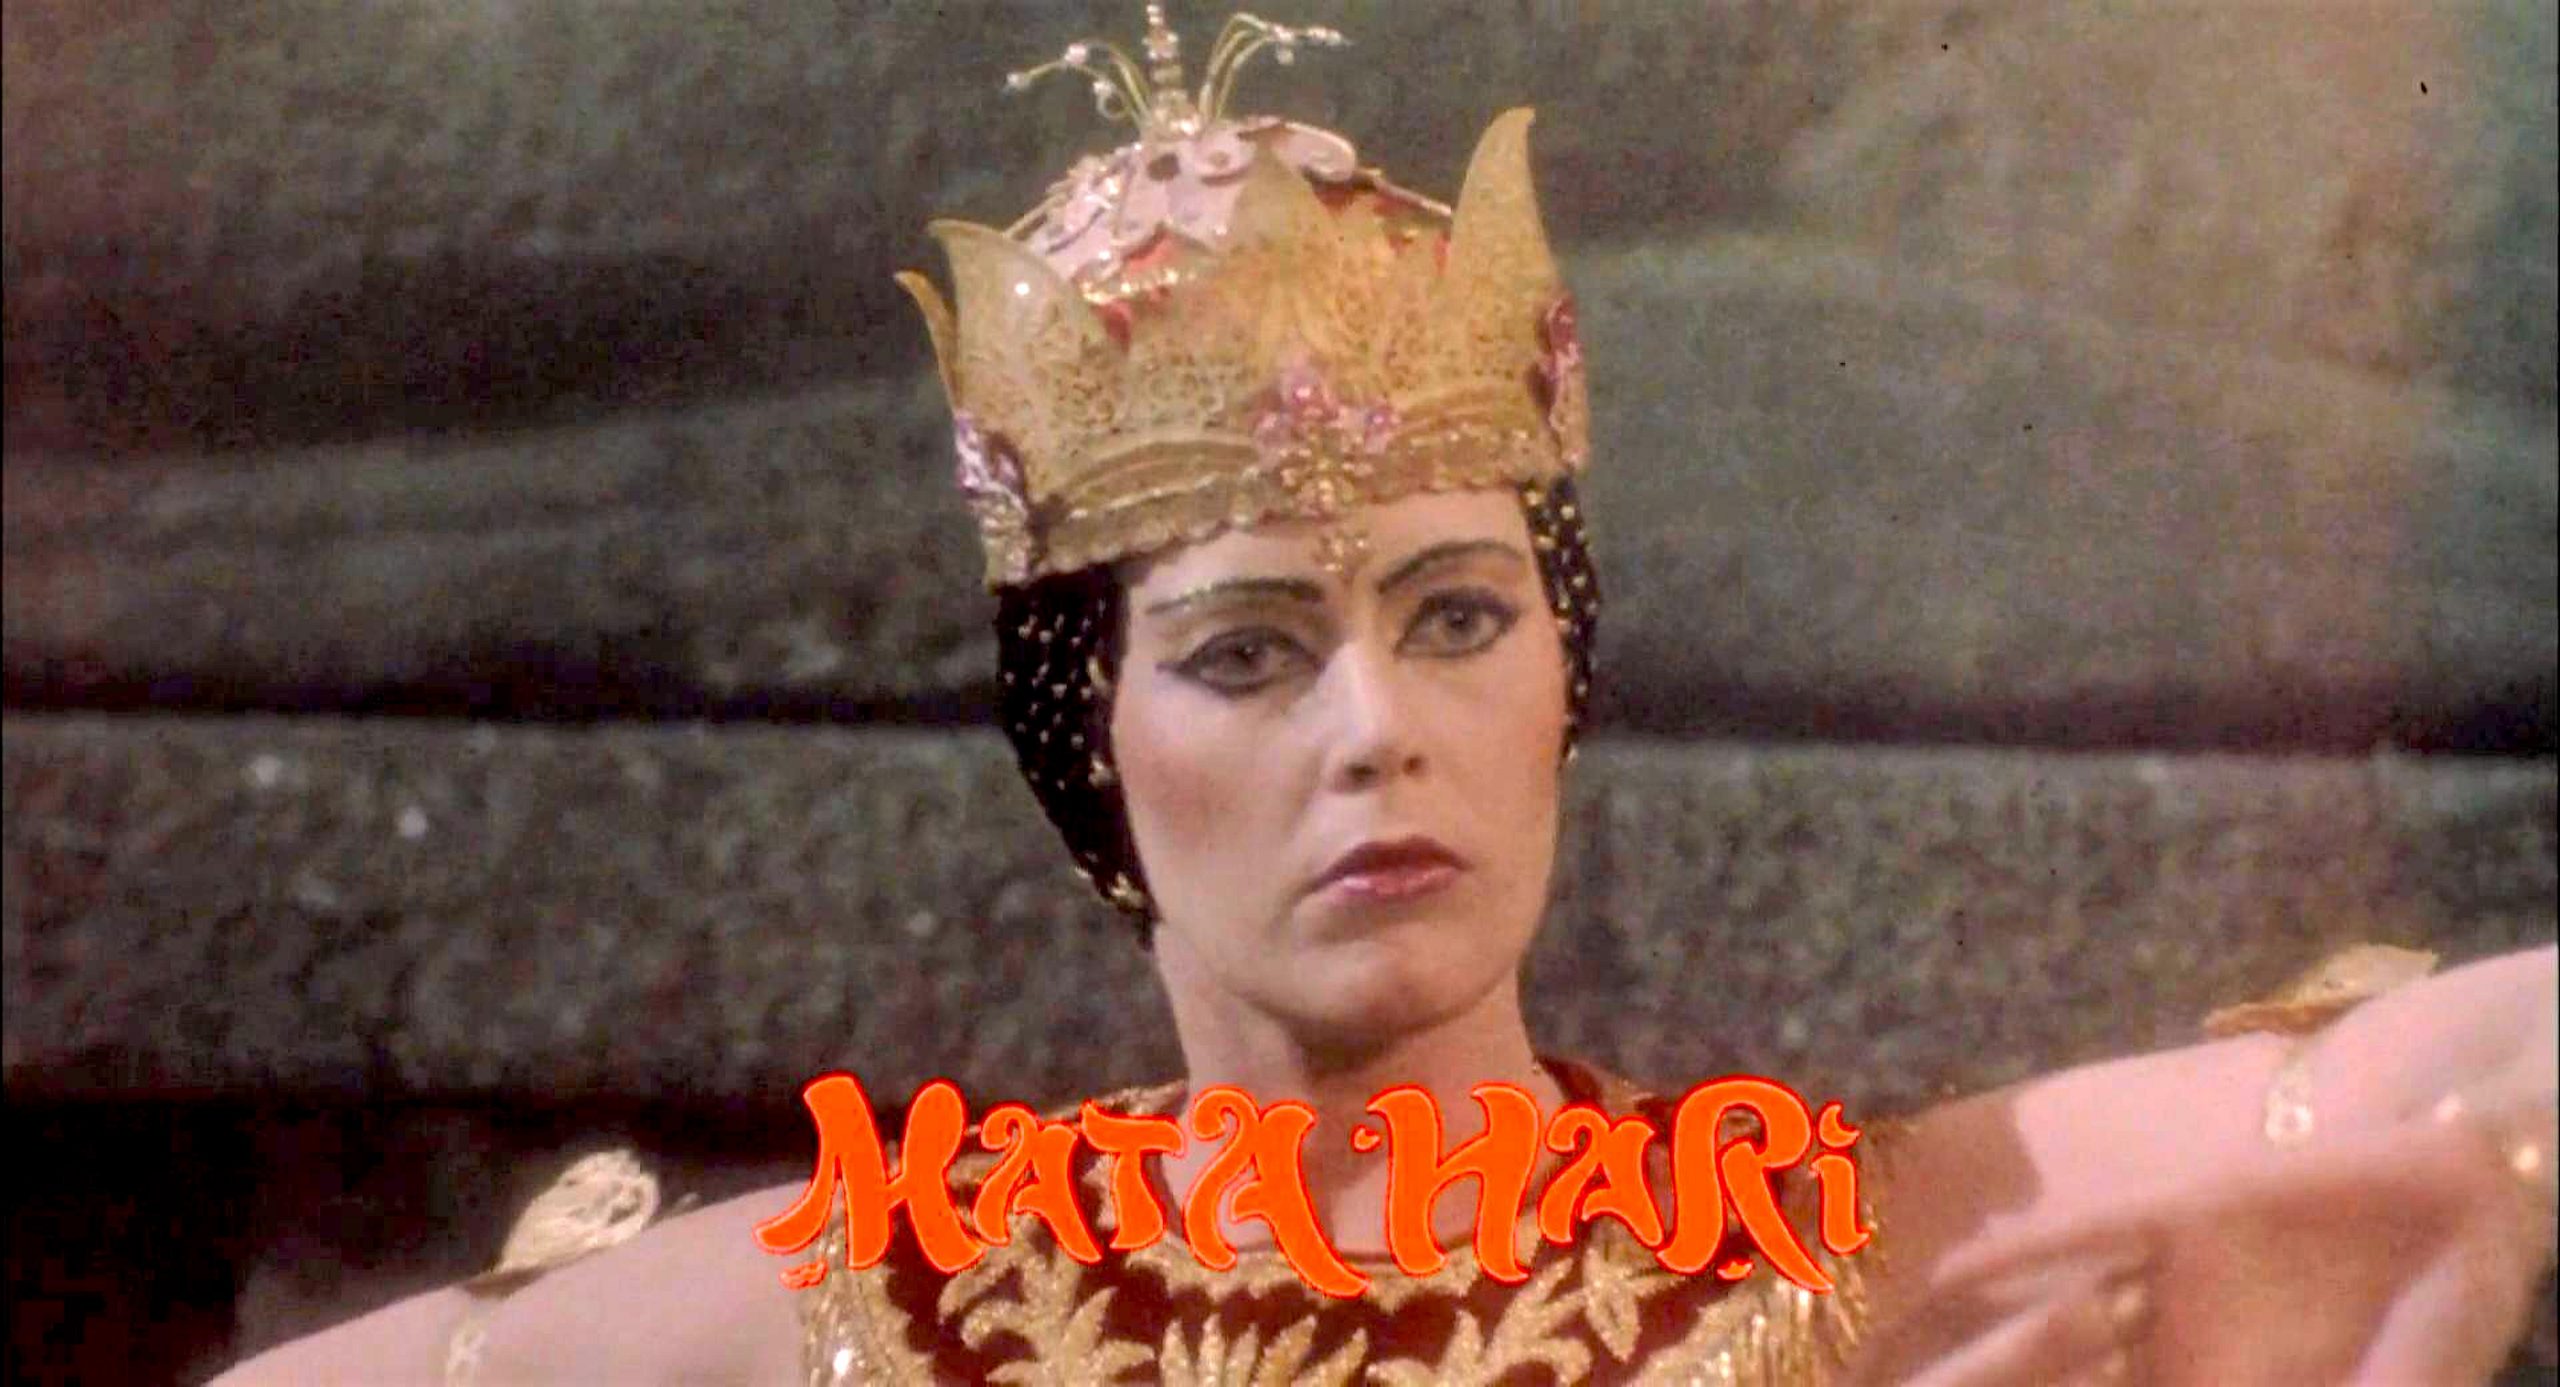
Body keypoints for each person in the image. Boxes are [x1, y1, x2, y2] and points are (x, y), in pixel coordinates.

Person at [220, 8, 2557, 1383]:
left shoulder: (1824, 1245)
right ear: (1089, 747)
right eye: (1245, 651)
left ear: (1560, 676)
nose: (1374, 726)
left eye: (1454, 617)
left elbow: (2457, 1075)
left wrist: (2434, 1204)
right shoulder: (887, 1303)